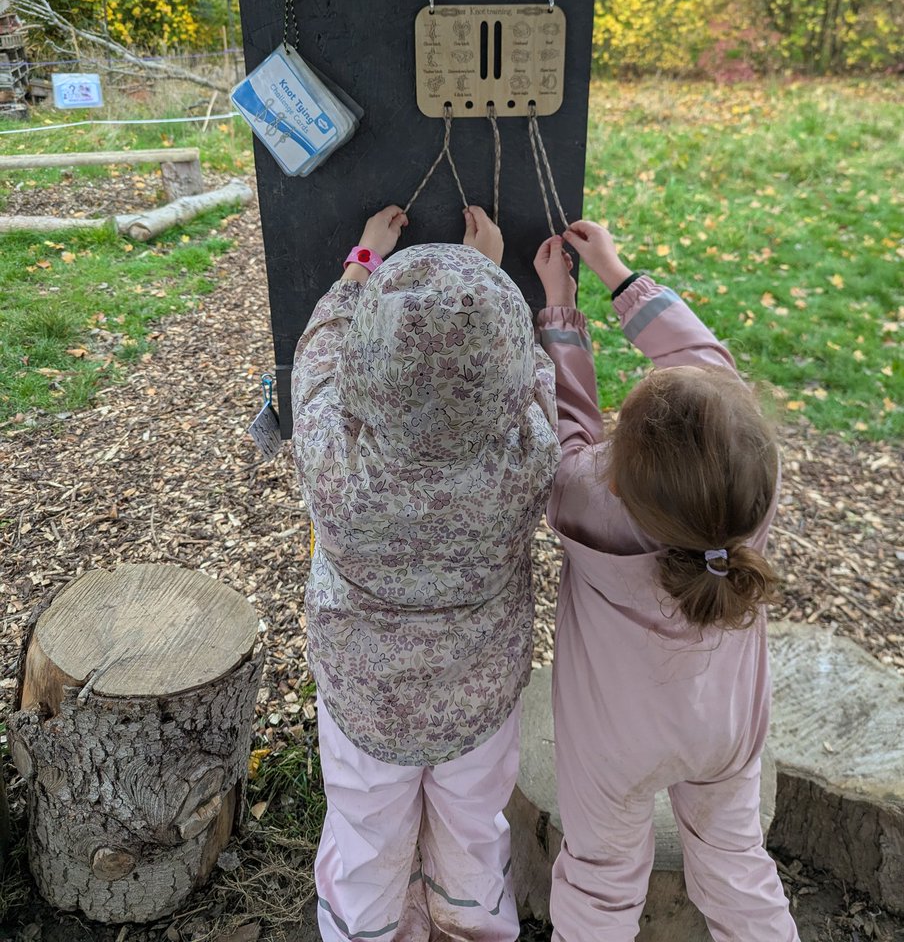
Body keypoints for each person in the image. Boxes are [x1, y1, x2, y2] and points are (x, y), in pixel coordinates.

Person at [292, 203, 561, 942]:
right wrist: (488, 275)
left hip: (365, 697)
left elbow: (316, 354)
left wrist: (363, 265)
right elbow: (533, 374)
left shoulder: (331, 459)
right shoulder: (530, 459)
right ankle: (471, 926)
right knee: (473, 828)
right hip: (478, 695)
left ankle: (368, 931)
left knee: (367, 834)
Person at [532, 220, 800, 942]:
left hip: (615, 740)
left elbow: (567, 429)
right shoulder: (751, 486)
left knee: (599, 880)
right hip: (725, 727)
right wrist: (622, 276)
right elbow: (706, 363)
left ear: (618, 477)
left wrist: (562, 309)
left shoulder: (587, 497)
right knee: (738, 859)